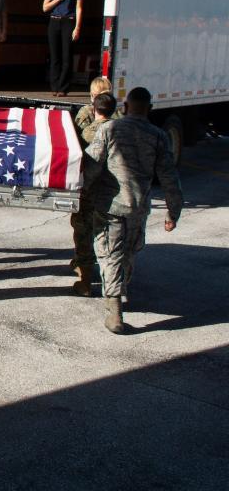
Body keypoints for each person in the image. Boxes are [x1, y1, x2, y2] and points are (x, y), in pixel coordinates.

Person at [83, 87, 183, 333]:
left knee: (110, 255)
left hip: (110, 205)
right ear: (150, 109)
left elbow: (92, 165)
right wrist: (173, 211)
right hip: (138, 207)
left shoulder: (109, 129)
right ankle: (119, 291)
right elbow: (169, 177)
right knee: (128, 252)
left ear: (125, 107)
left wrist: (81, 191)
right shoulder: (158, 136)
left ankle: (114, 309)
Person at [69, 92, 116, 296]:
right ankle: (113, 281)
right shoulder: (122, 130)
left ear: (94, 109)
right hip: (115, 194)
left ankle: (85, 280)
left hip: (91, 192)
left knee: (84, 233)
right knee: (113, 238)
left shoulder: (89, 132)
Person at [42, 0, 84, 96]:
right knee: (54, 56)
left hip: (69, 21)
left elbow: (79, 8)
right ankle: (54, 87)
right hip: (54, 21)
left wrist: (77, 27)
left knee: (67, 55)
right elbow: (45, 8)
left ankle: (63, 88)